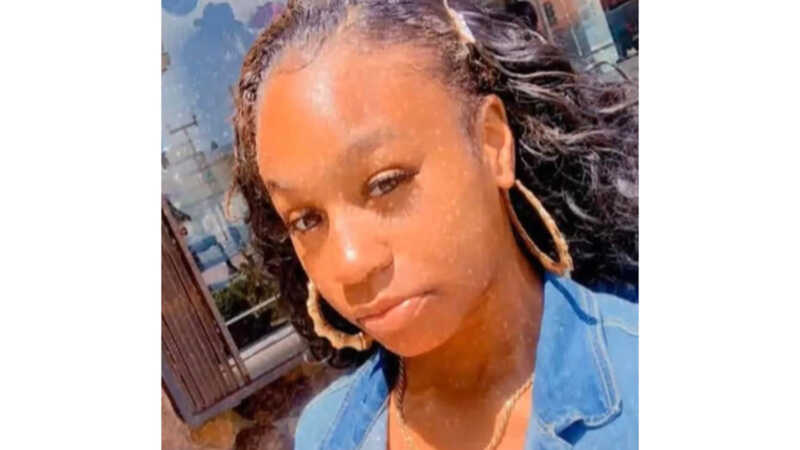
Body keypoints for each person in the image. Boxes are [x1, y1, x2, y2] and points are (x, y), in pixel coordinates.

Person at [230, 0, 638, 448]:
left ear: (492, 143)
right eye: (307, 219)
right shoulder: (327, 433)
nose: (350, 262)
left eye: (386, 183)